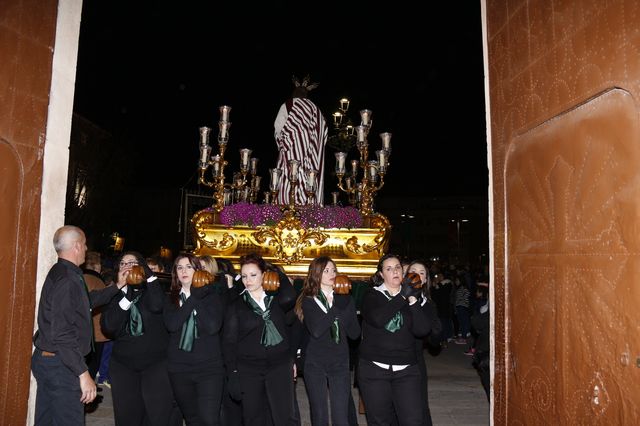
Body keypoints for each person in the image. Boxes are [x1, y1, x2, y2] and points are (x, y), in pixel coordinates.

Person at [32, 225, 121, 425]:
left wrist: (117, 287)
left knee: (47, 420)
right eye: (85, 244)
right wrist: (83, 374)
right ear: (77, 246)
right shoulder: (67, 279)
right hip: (61, 365)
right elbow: (62, 334)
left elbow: (85, 302)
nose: (87, 248)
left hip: (51, 360)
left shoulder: (62, 271)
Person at [100, 251, 181, 426]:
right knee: (127, 417)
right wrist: (126, 295)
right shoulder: (114, 294)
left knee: (157, 416)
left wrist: (149, 277)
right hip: (123, 365)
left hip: (155, 364)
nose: (128, 266)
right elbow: (109, 326)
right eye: (123, 263)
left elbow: (157, 305)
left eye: (133, 263)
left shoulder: (153, 291)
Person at [222, 253, 297, 426]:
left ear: (264, 275)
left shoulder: (277, 298)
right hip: (249, 368)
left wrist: (277, 271)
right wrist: (232, 373)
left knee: (284, 417)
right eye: (245, 276)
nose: (248, 280)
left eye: (253, 275)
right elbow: (229, 342)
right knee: (253, 417)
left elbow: (291, 298)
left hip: (280, 365)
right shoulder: (236, 305)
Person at [357, 253, 430, 426]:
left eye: (397, 267)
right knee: (380, 421)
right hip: (375, 370)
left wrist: (412, 299)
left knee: (413, 420)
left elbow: (422, 330)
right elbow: (378, 318)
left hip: (406, 370)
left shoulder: (411, 296)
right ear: (381, 274)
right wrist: (402, 296)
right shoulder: (372, 296)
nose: (395, 271)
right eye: (389, 269)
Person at [295, 256, 361, 426]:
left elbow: (354, 334)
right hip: (315, 362)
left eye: (333, 270)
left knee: (341, 416)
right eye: (326, 270)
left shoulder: (345, 298)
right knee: (319, 414)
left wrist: (346, 306)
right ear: (316, 274)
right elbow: (316, 330)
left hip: (339, 361)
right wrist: (336, 307)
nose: (332, 273)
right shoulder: (309, 300)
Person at [164, 253, 226, 425]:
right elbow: (173, 324)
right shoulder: (170, 298)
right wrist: (193, 298)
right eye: (179, 267)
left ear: (197, 271)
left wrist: (197, 296)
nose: (184, 271)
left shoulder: (212, 296)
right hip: (179, 368)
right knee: (192, 419)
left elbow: (213, 327)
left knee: (209, 419)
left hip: (209, 368)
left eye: (189, 267)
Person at [273, 75, 328, 205]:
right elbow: (324, 133)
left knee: (289, 176)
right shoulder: (316, 110)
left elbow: (278, 128)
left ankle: (287, 206)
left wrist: (282, 144)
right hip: (313, 155)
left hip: (291, 152)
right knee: (310, 179)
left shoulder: (288, 104)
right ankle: (311, 208)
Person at [406, 260, 442, 426]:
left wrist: (437, 332)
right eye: (413, 271)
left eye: (421, 273)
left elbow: (434, 338)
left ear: (426, 280)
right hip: (392, 359)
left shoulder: (428, 305)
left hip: (416, 360)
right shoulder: (396, 298)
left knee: (420, 407)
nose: (416, 275)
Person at [82, 251, 108, 412]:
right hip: (96, 332)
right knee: (93, 363)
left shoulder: (80, 277)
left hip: (84, 331)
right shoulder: (97, 281)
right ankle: (88, 398)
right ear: (95, 266)